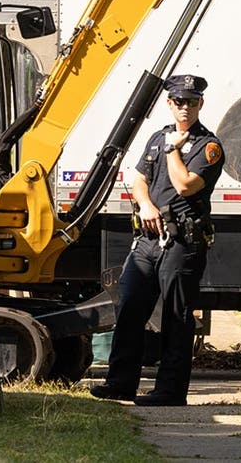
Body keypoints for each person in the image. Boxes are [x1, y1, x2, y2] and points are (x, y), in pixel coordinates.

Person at [90, 74, 226, 406]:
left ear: (200, 105)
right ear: (169, 103)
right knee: (131, 307)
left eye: (191, 102)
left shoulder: (209, 146)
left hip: (182, 242)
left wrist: (173, 152)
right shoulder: (157, 138)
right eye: (179, 101)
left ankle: (169, 391)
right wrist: (146, 204)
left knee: (176, 317)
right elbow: (138, 178)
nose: (184, 108)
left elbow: (184, 186)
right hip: (148, 239)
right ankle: (120, 383)